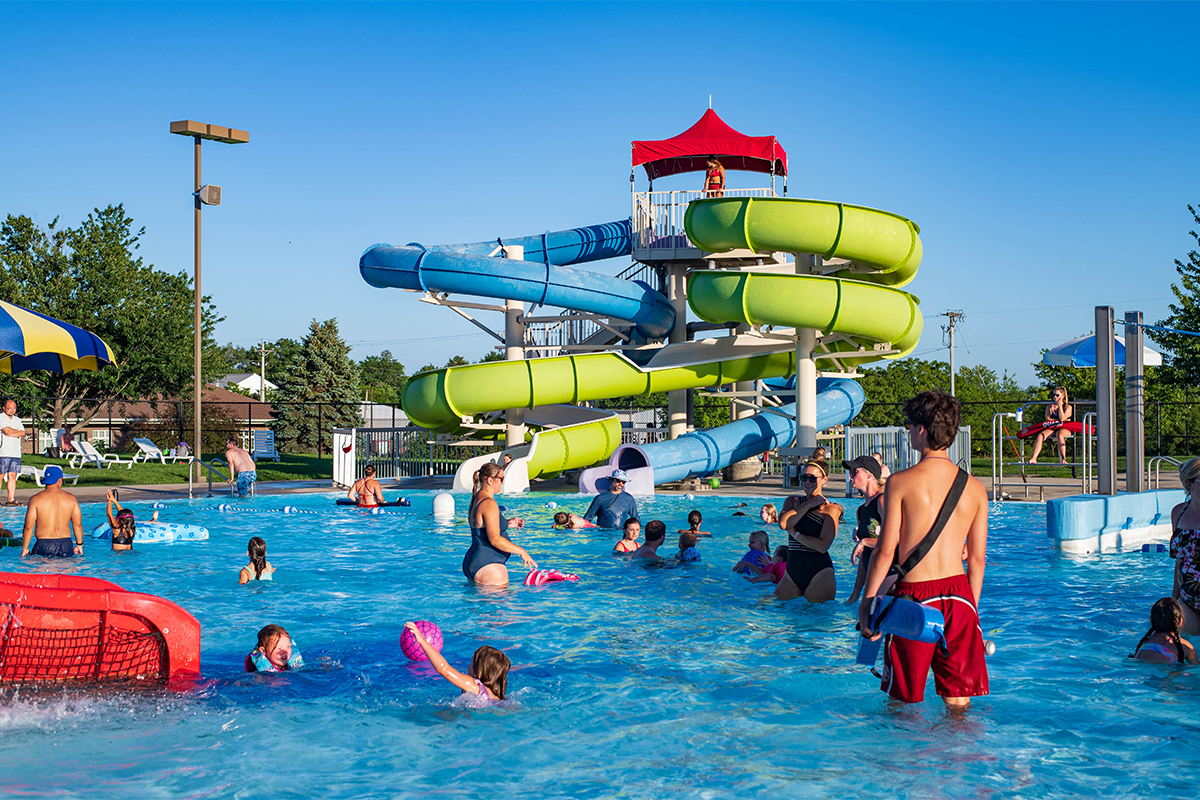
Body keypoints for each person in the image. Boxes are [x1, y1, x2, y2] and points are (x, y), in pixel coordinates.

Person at [859, 390, 989, 707]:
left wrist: (868, 601)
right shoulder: (975, 488)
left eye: (909, 426)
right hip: (960, 598)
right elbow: (977, 560)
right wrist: (971, 613)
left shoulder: (901, 482)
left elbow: (886, 551)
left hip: (916, 598)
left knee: (902, 704)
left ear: (921, 430)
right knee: (958, 704)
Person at [775, 461, 843, 603]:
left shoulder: (830, 510)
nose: (807, 482)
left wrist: (795, 534)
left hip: (819, 573)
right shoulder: (792, 501)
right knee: (773, 611)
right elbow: (783, 523)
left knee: (814, 622)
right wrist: (809, 504)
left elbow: (822, 546)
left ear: (824, 479)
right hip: (792, 573)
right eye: (803, 477)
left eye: (812, 478)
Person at [463, 462, 537, 586]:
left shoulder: (477, 498)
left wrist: (507, 523)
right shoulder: (489, 503)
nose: (502, 483)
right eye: (501, 479)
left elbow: (481, 528)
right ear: (490, 480)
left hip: (474, 561)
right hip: (489, 565)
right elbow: (495, 540)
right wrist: (522, 552)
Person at [404, 621, 510, 704]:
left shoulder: (474, 686)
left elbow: (443, 669)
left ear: (479, 671)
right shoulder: (497, 697)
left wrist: (421, 641)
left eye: (471, 662)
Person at [843, 456, 887, 606]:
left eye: (855, 471)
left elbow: (897, 541)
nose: (850, 475)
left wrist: (865, 541)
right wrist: (855, 595)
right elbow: (863, 556)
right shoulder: (861, 510)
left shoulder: (883, 501)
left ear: (869, 475)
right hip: (873, 580)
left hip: (889, 576)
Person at [20, 466, 82, 557]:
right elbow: (78, 525)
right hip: (66, 544)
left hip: (44, 544)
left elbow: (28, 527)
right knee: (65, 570)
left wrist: (25, 548)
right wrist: (79, 544)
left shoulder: (36, 499)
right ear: (60, 480)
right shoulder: (71, 499)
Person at [1169, 457, 1200, 635]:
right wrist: (1174, 602)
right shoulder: (1178, 513)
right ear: (1189, 484)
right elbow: (1180, 562)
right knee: (1182, 650)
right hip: (1187, 601)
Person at [1132, 597, 1200, 664]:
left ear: (1152, 620)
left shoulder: (1144, 644)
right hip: (1168, 669)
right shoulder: (1185, 646)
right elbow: (1195, 667)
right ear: (1180, 621)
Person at [1028, 386, 1073, 465]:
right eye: (1054, 395)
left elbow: (1062, 419)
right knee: (1041, 435)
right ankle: (1034, 458)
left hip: (1065, 428)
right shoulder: (1050, 406)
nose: (1055, 397)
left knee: (1059, 435)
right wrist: (1052, 413)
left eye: (1057, 395)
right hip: (1053, 427)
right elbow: (1048, 420)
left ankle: (1063, 459)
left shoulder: (1068, 407)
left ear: (1062, 396)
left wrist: (1059, 407)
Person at [0, 399, 24, 507]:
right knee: (1, 475)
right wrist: (15, 432)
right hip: (3, 452)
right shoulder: (1, 417)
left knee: (12, 475)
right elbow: (5, 430)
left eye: (13, 408)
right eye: (9, 408)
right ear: (4, 408)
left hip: (15, 453)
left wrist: (11, 432)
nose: (11, 410)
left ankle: (11, 499)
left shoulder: (17, 420)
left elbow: (22, 432)